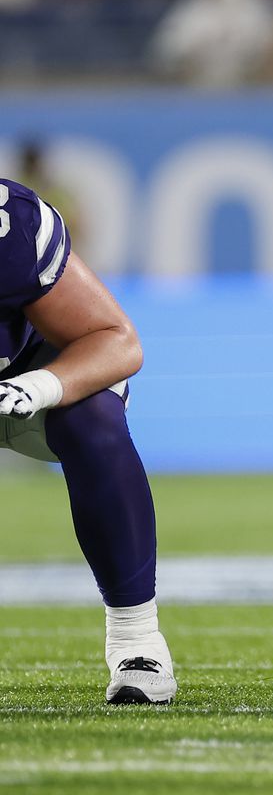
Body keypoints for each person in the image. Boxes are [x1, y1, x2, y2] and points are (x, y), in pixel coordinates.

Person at [0, 179, 176, 705]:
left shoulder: (12, 225)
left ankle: (137, 641)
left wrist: (35, 387)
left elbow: (114, 340)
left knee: (93, 419)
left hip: (23, 384)